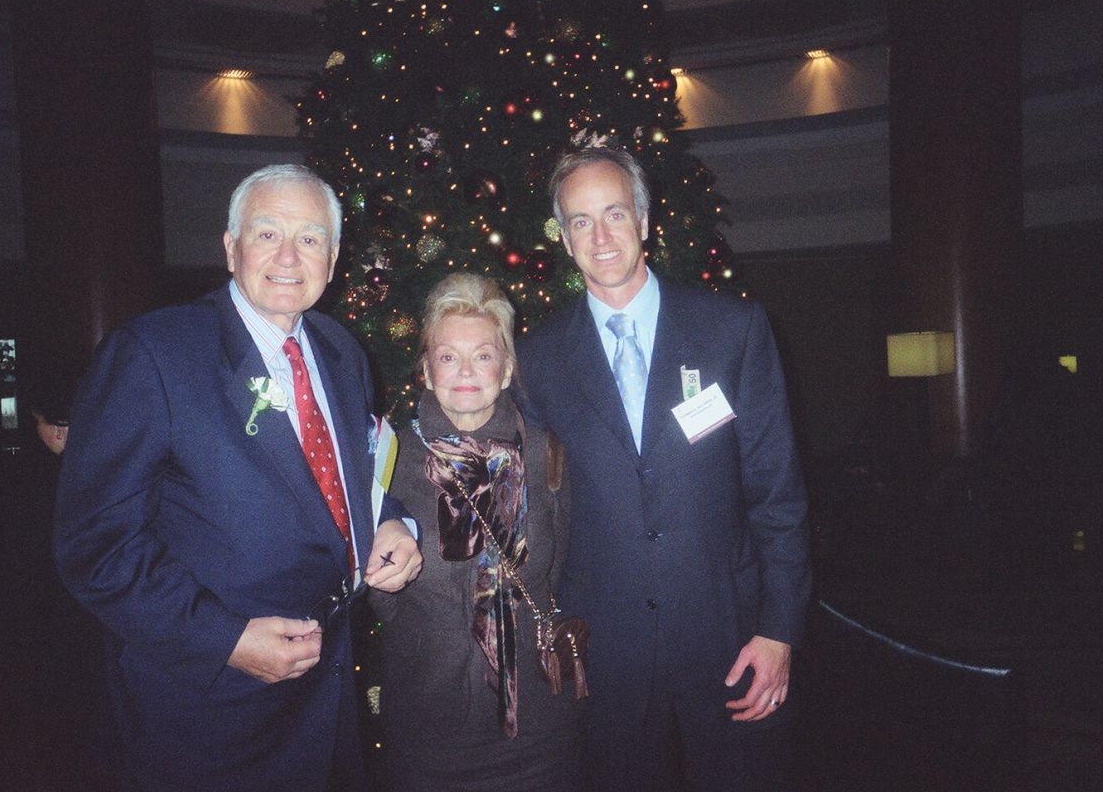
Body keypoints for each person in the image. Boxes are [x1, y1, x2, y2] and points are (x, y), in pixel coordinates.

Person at [54, 164, 422, 792]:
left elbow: (347, 477)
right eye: (267, 233)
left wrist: (390, 521)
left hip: (329, 688)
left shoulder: (342, 352)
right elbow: (95, 545)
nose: (289, 256)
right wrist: (224, 639)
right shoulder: (155, 353)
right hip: (209, 707)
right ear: (230, 248)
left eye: (310, 238)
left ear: (333, 259)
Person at [516, 146, 811, 792]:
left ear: (645, 221)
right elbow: (531, 507)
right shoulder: (536, 359)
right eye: (581, 221)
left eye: (615, 213)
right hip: (605, 649)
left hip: (729, 634)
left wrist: (779, 630)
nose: (601, 236)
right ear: (563, 238)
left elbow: (777, 494)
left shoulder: (732, 330)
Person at [369, 272, 584, 791]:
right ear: (426, 369)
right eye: (448, 356)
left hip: (538, 725)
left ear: (506, 369)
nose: (465, 371)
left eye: (483, 355)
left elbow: (560, 569)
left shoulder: (547, 453)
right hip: (427, 724)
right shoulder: (388, 458)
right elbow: (377, 594)